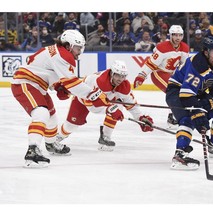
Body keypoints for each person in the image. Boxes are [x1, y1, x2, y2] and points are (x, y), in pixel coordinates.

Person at [11, 30, 104, 168]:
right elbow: (72, 83)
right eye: (78, 48)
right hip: (25, 83)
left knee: (52, 117)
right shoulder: (63, 56)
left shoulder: (58, 51)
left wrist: (58, 86)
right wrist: (92, 94)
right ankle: (32, 150)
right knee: (41, 114)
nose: (80, 52)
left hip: (38, 85)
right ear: (68, 46)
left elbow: (45, 69)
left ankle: (50, 143)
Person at [165, 36, 213, 170]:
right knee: (188, 119)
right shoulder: (198, 64)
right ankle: (180, 155)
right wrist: (198, 113)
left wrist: (209, 100)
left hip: (197, 93)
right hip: (177, 91)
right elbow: (186, 95)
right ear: (206, 52)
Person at [56, 60, 154, 152]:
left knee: (117, 105)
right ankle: (56, 139)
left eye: (123, 76)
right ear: (112, 73)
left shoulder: (124, 86)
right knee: (71, 126)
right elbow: (91, 105)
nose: (120, 79)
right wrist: (110, 109)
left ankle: (105, 137)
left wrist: (140, 118)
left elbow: (131, 104)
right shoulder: (97, 81)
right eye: (118, 76)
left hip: (105, 101)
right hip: (82, 99)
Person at [133, 25, 189, 127]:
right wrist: (141, 76)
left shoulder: (185, 47)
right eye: (175, 35)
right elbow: (150, 64)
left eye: (180, 35)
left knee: (182, 92)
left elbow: (184, 65)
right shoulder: (162, 48)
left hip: (172, 74)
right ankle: (173, 117)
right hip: (159, 73)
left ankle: (173, 115)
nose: (178, 38)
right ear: (170, 35)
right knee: (174, 92)